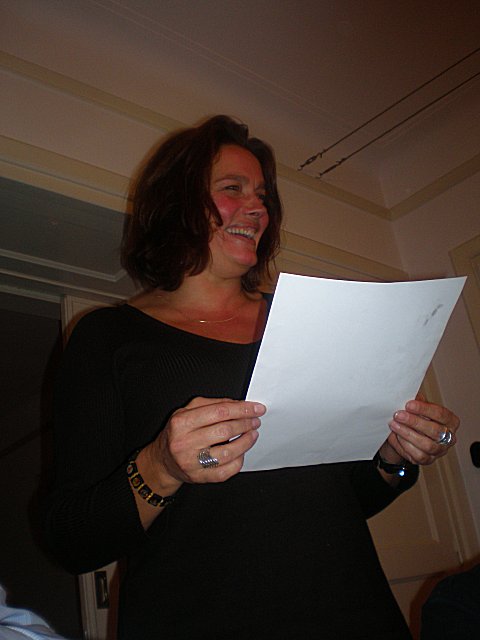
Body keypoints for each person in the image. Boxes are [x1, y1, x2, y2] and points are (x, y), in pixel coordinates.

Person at [44, 115, 460, 639]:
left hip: (354, 614)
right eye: (232, 188)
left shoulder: (310, 322)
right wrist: (160, 465)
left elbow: (340, 501)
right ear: (176, 202)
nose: (258, 208)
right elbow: (71, 540)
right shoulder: (107, 336)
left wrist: (394, 457)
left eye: (262, 195)